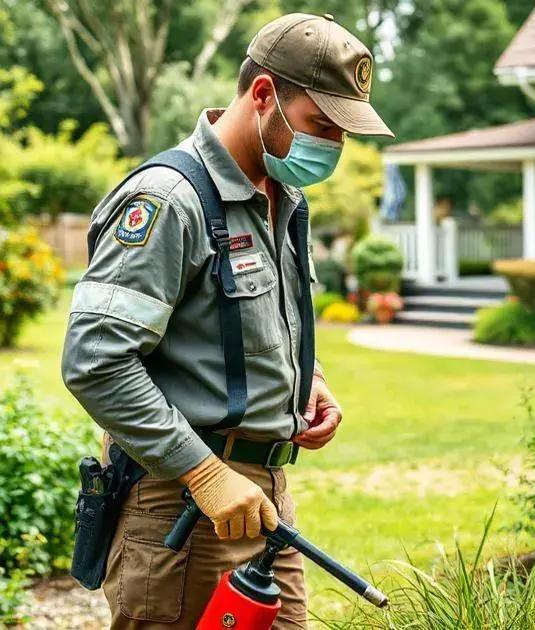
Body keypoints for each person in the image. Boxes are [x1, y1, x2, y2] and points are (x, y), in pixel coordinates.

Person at [61, 13, 393, 629]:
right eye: (323, 126)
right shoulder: (170, 200)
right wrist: (202, 470)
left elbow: (257, 323)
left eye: (345, 135)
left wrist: (306, 380)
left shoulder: (285, 200)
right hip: (179, 505)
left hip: (265, 498)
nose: (335, 149)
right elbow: (95, 359)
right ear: (264, 94)